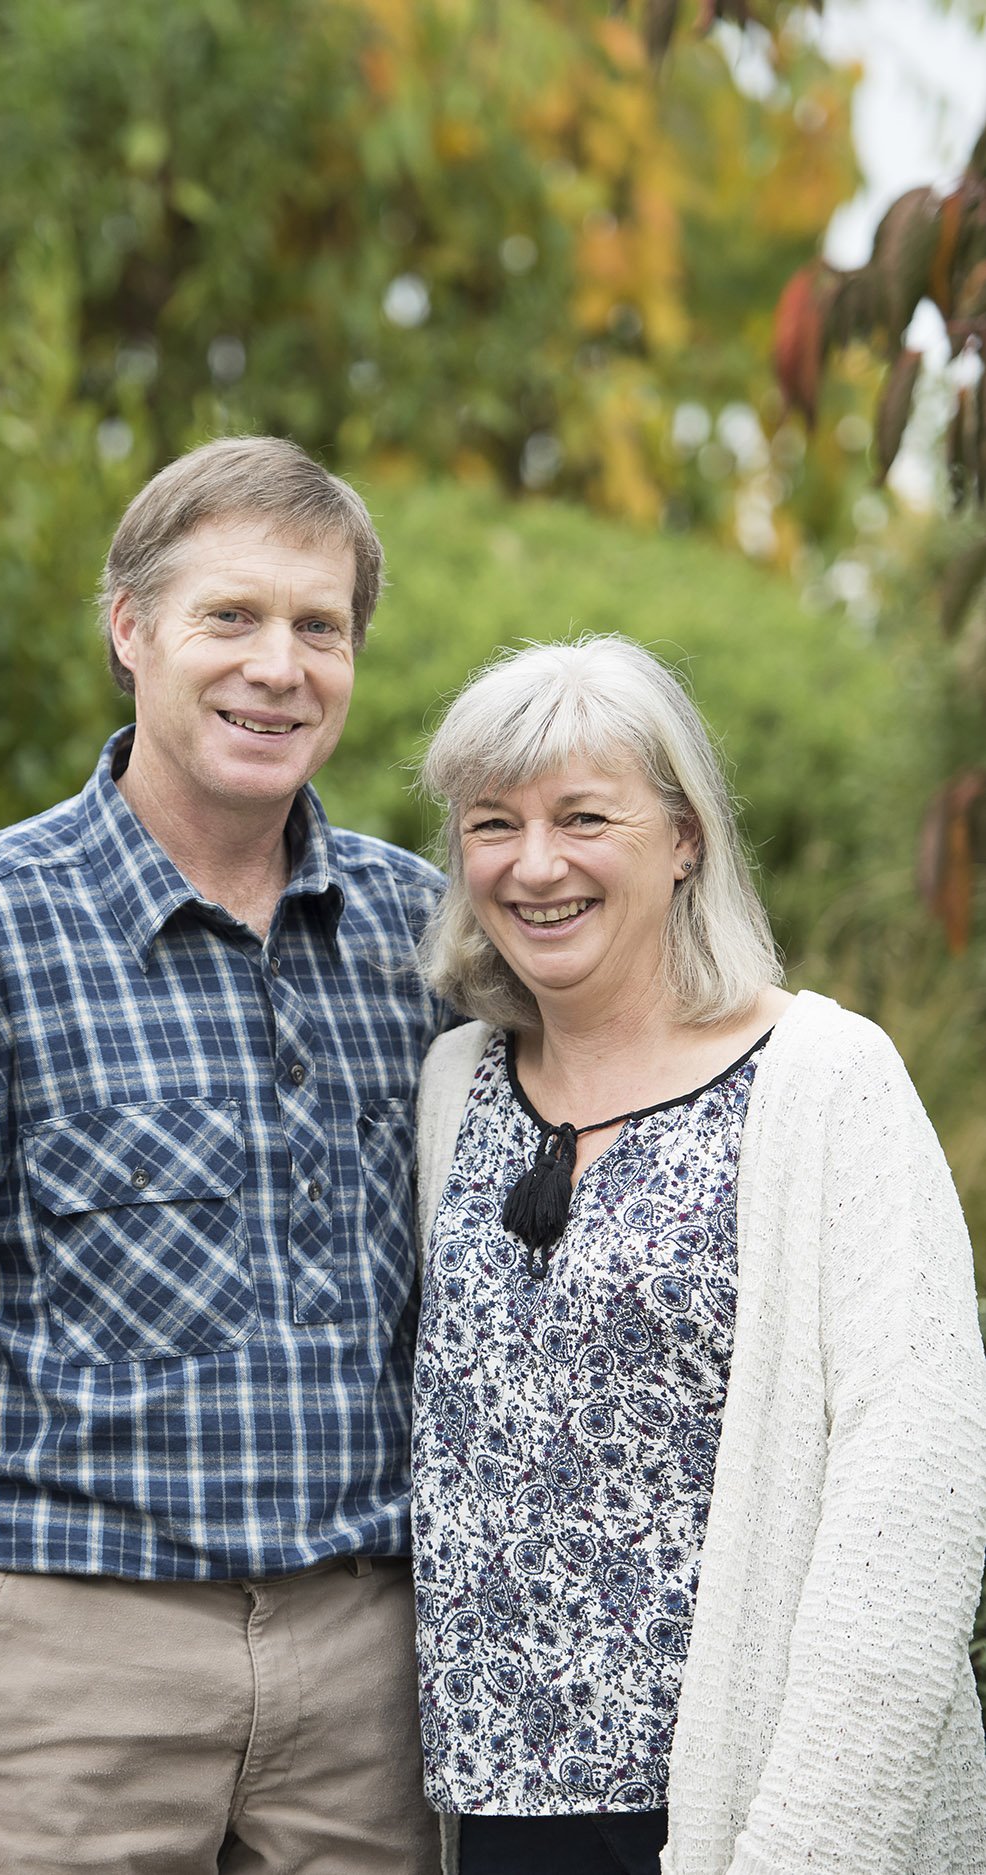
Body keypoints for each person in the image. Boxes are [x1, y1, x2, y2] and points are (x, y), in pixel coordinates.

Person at [0, 436, 448, 1875]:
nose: (278, 664)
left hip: (372, 1698)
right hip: (66, 1694)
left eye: (319, 626)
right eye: (229, 616)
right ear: (130, 630)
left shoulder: (421, 939)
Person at [410, 635, 986, 1875]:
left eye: (581, 816)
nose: (535, 863)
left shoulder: (825, 1082)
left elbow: (915, 1494)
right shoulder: (452, 1087)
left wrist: (809, 1846)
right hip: (492, 1815)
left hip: (740, 1813)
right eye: (492, 823)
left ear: (683, 840)